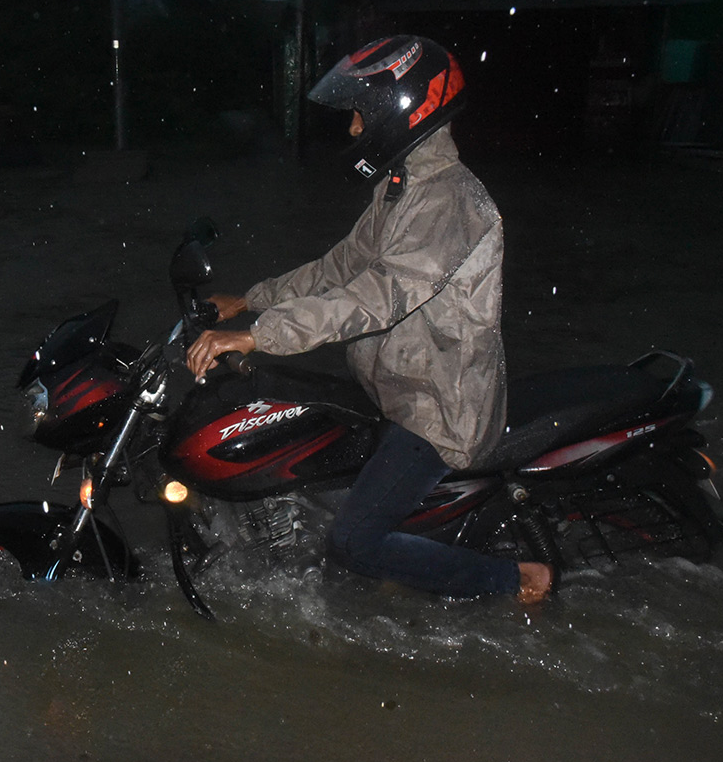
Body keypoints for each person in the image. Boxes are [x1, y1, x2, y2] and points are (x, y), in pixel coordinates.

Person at [185, 34, 554, 605]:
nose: (355, 128)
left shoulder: (451, 203)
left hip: (439, 412)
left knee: (355, 542)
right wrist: (254, 298)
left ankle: (516, 581)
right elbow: (343, 266)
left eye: (363, 114)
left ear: (407, 114)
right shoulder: (403, 185)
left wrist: (260, 335)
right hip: (395, 385)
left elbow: (374, 298)